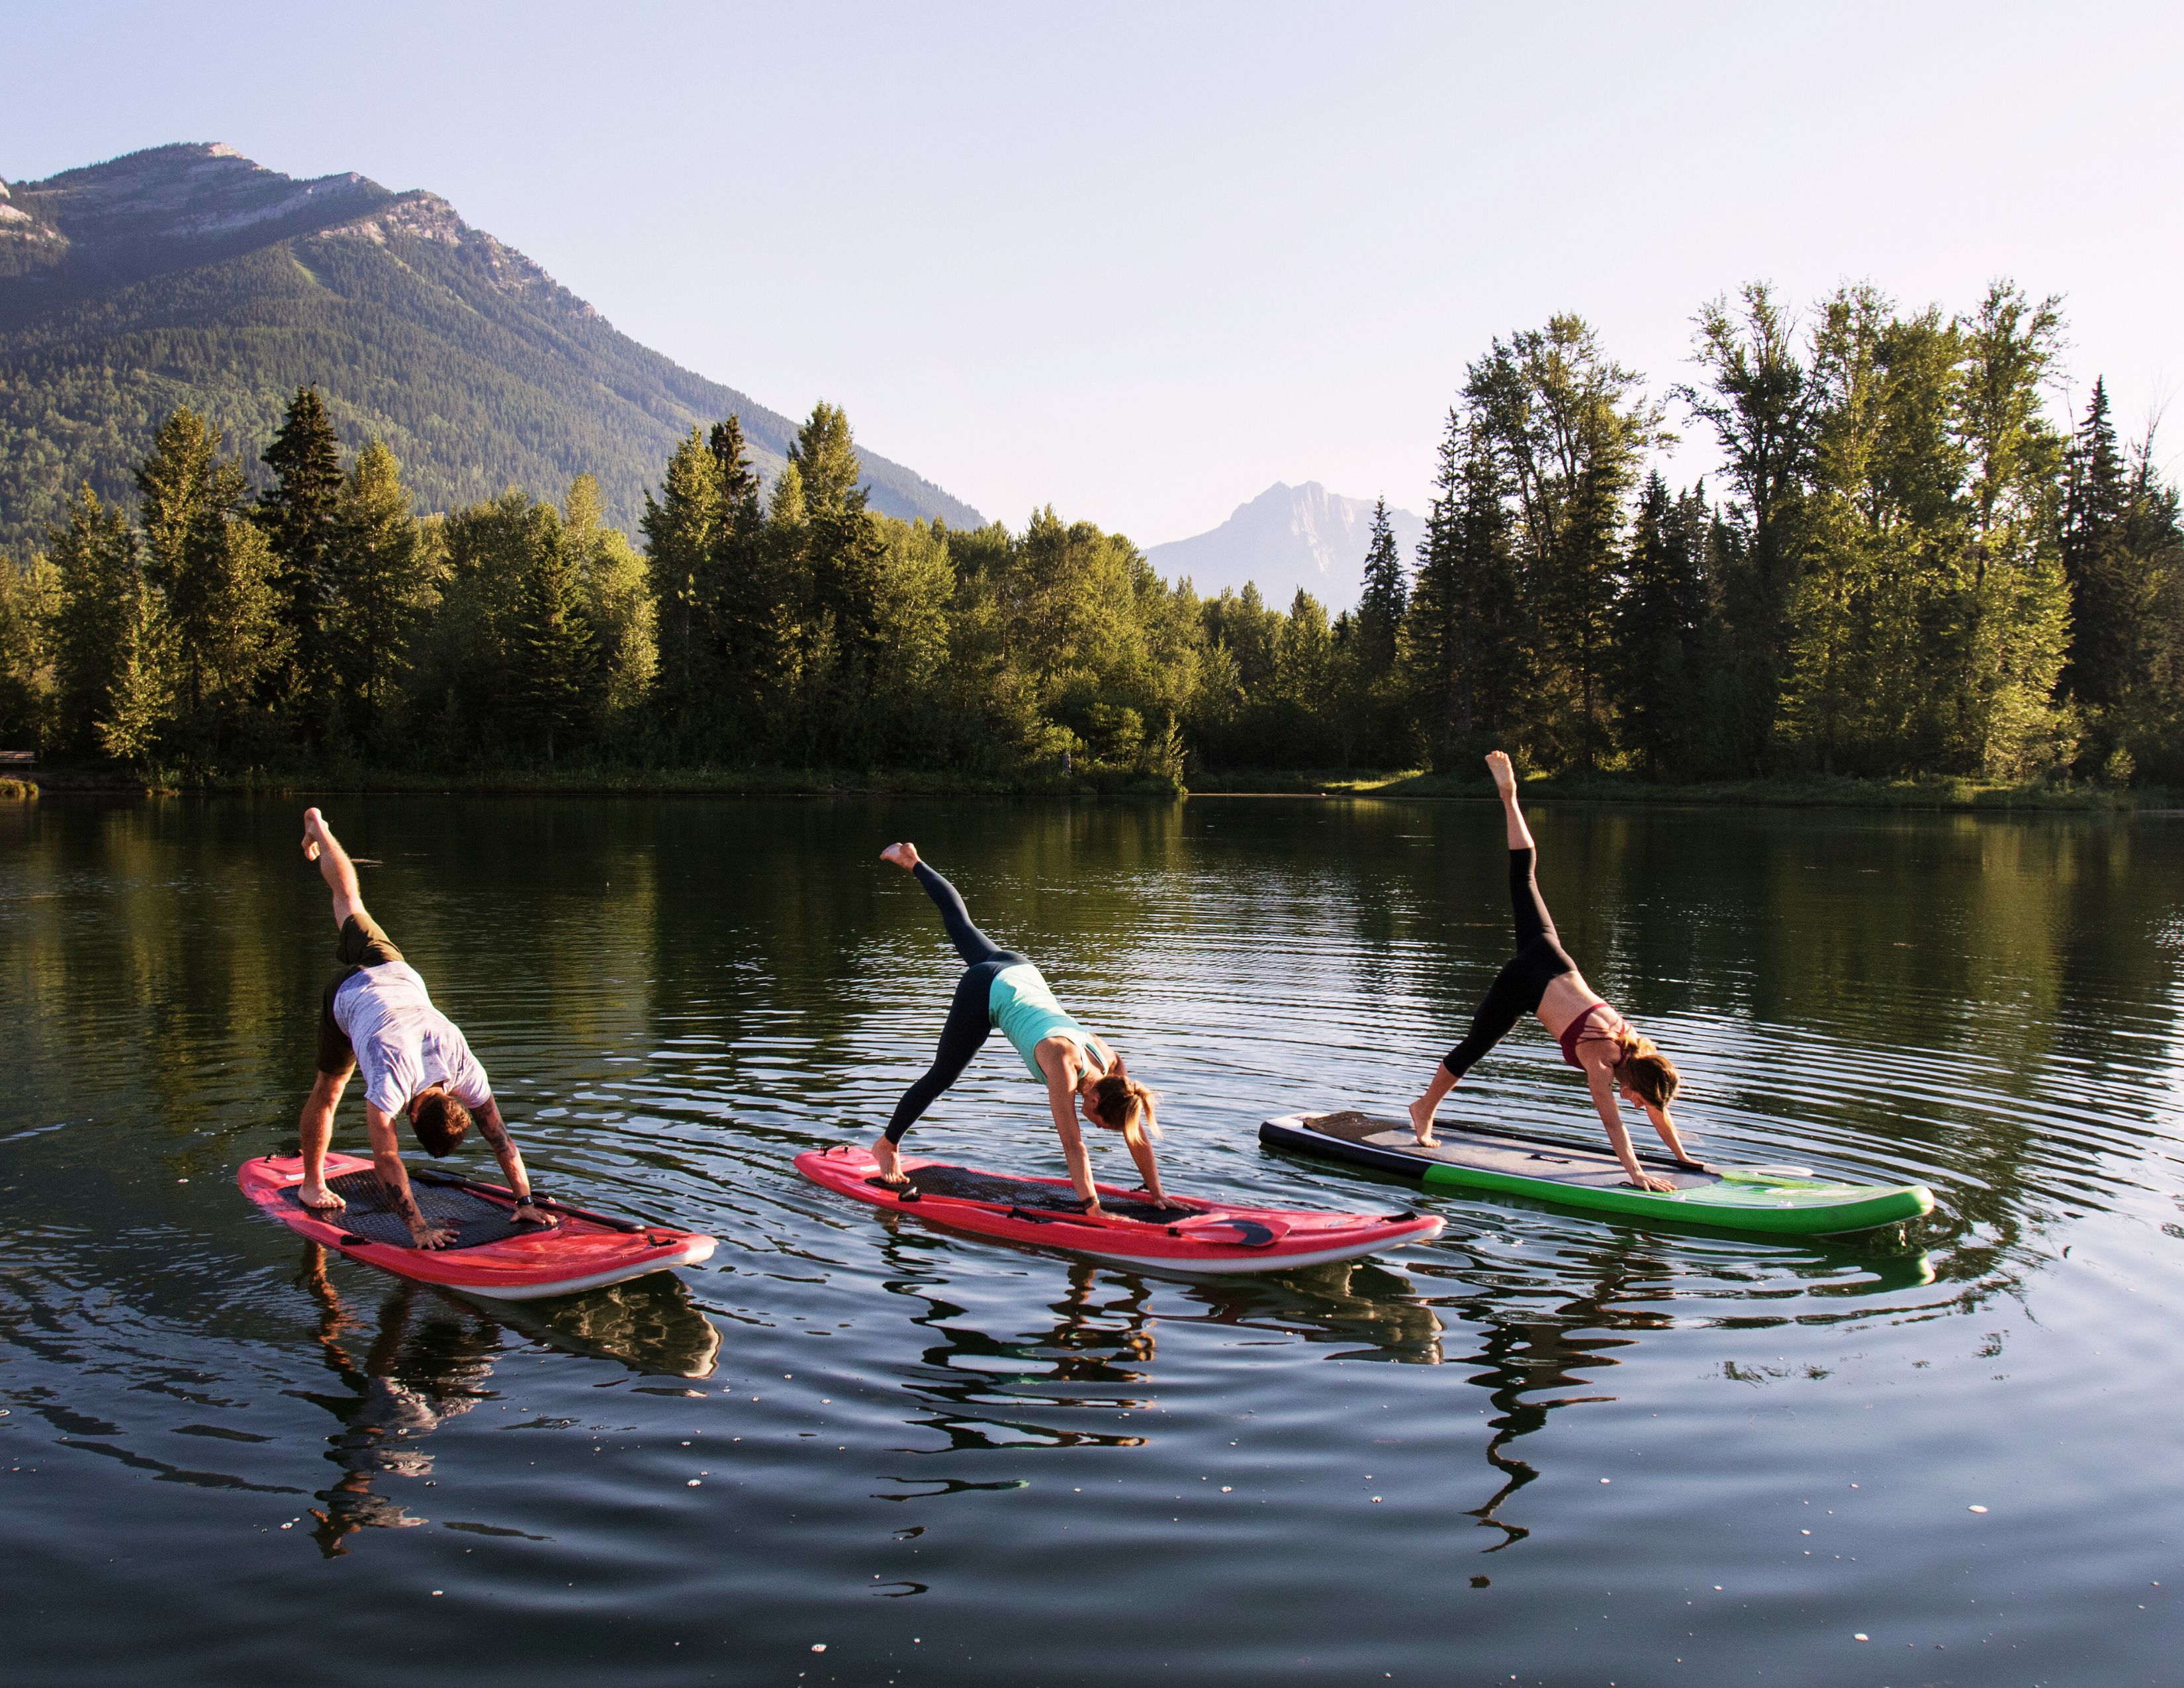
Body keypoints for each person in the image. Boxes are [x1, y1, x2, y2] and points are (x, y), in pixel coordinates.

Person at [1408, 751, 1698, 1192]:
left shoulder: (1635, 1043)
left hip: (1551, 957)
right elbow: (1613, 1124)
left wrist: (1683, 1159)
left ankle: (1510, 798)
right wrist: (1637, 1175)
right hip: (1524, 981)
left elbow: (1658, 1107)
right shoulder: (1602, 1062)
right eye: (1640, 1100)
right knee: (1477, 1045)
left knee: (1524, 878)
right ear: (1637, 1080)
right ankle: (1424, 1109)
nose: (1639, 1108)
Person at [295, 807, 553, 1247]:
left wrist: (525, 1199)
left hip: (394, 973)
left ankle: (320, 827)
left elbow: (500, 1138)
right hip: (350, 998)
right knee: (329, 1089)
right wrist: (419, 1229)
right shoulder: (393, 1089)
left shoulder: (464, 1070)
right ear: (414, 1114)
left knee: (351, 902)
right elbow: (386, 1159)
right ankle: (312, 1184)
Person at [872, 842, 1166, 1216]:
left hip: (1020, 970)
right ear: (1092, 1102)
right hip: (986, 989)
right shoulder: (1064, 1063)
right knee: (943, 1074)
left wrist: (1156, 1191)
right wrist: (1092, 1207)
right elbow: (1073, 1145)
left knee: (962, 925)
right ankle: (887, 1145)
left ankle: (912, 860)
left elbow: (1134, 1133)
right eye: (1101, 1124)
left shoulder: (1113, 1067)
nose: (1099, 1129)